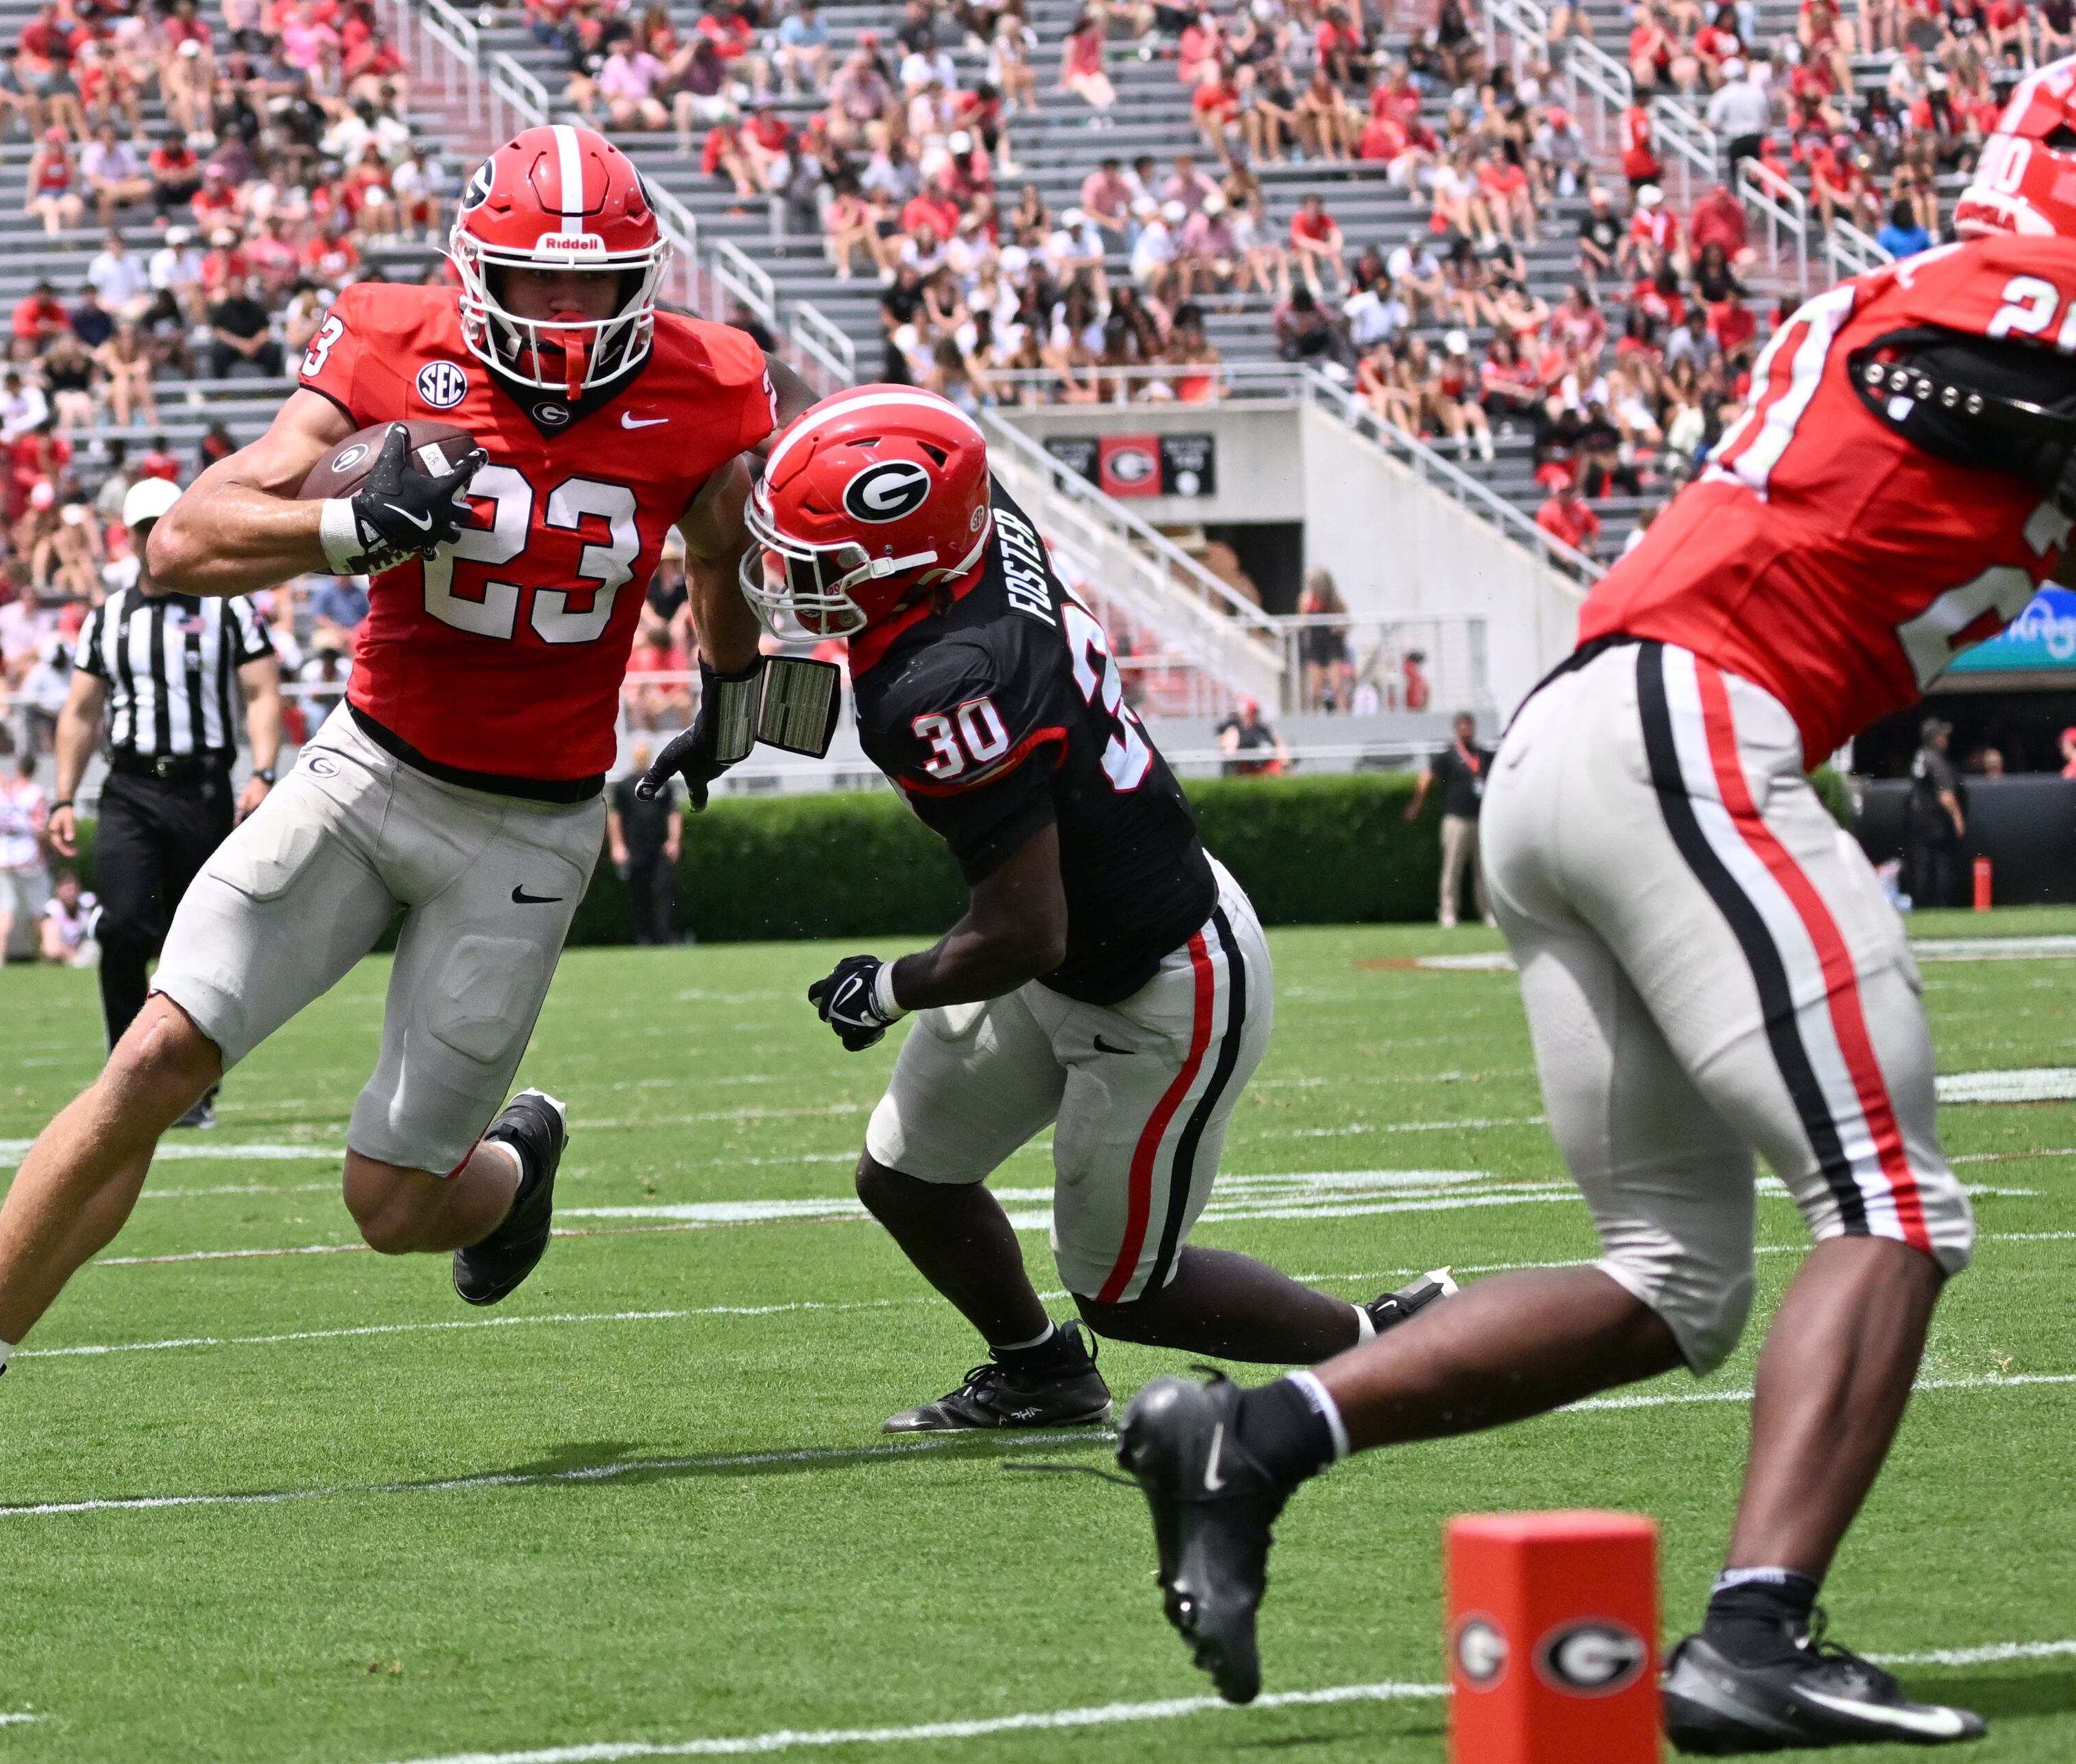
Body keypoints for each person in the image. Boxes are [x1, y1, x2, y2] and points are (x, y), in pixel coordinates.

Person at [1104, 64, 2076, 1745]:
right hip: (1690, 728)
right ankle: (1754, 1632)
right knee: (1888, 1200)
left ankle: (1251, 1437)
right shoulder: (2012, 299)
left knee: (1673, 1278)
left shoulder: (1932, 304)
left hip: (1583, 742)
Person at [0, 124, 801, 1506]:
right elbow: (183, 541)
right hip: (365, 772)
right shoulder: (394, 344)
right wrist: (348, 524)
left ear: (645, 280)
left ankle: (518, 1165)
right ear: (477, 267)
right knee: (154, 1055)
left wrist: (734, 689)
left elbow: (718, 548)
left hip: (530, 831)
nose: (569, 313)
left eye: (596, 284)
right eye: (540, 280)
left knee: (392, 1206)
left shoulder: (707, 381)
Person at [755, 388, 1455, 1432]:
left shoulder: (948, 683)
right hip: (1064, 949)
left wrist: (887, 987)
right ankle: (1041, 1373)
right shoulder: (976, 536)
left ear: (903, 556)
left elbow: (1025, 929)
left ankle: (1385, 1344)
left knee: (1126, 1291)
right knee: (906, 1177)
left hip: (1158, 981)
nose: (793, 582)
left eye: (822, 562)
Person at [24, 475, 283, 1117]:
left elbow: (261, 692)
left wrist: (264, 770)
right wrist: (63, 797)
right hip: (131, 789)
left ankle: (191, 1084)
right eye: (144, 529)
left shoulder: (228, 607)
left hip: (201, 788)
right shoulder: (107, 618)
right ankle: (129, 1078)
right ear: (130, 536)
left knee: (198, 942)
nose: (156, 538)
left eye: (165, 524)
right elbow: (81, 712)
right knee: (121, 928)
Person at [1404, 710, 1491, 928]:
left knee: (1483, 870)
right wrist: (1416, 804)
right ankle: (1448, 912)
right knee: (1452, 868)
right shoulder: (1448, 756)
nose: (1466, 730)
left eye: (1469, 726)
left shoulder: (1482, 755)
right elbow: (1427, 777)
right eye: (1462, 726)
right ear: (1456, 729)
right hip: (1456, 819)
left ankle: (1487, 911)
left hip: (1480, 819)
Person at [607, 741, 681, 944]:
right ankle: (644, 937)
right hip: (635, 848)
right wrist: (617, 846)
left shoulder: (662, 783)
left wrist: (674, 841)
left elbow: (673, 813)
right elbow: (616, 817)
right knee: (640, 893)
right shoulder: (624, 786)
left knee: (664, 890)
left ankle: (667, 935)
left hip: (660, 848)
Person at [0, 752, 51, 967]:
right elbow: (41, 829)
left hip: (3, 855)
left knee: (5, 909)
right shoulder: (35, 793)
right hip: (28, 856)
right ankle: (44, 955)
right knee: (39, 910)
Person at [1904, 716, 1966, 909]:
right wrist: (1957, 817)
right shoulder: (1936, 760)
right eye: (1943, 735)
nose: (1946, 739)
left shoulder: (1920, 755)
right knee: (1942, 863)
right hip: (1935, 821)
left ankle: (1922, 905)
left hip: (1917, 818)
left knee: (1922, 863)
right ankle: (1942, 904)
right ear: (1936, 738)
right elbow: (1945, 795)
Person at [1215, 698, 1285, 775]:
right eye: (1250, 714)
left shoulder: (1264, 730)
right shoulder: (1234, 731)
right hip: (1244, 768)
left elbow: (1279, 745)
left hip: (1263, 767)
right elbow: (1229, 753)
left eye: (1254, 714)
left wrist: (1284, 761)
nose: (1252, 717)